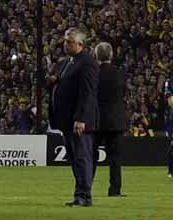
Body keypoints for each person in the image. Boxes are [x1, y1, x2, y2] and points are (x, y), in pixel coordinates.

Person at [51, 27, 98, 208]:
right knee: (74, 158)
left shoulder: (87, 63)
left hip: (78, 120)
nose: (65, 44)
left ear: (80, 44)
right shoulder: (67, 63)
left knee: (81, 157)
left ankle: (84, 196)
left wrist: (81, 118)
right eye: (65, 41)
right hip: (67, 119)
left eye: (69, 42)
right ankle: (80, 194)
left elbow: (88, 93)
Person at [91, 42, 127, 198]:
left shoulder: (92, 72)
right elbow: (122, 93)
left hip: (96, 120)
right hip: (115, 120)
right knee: (115, 158)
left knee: (90, 157)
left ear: (96, 55)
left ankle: (86, 189)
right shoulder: (119, 73)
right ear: (111, 55)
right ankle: (115, 190)